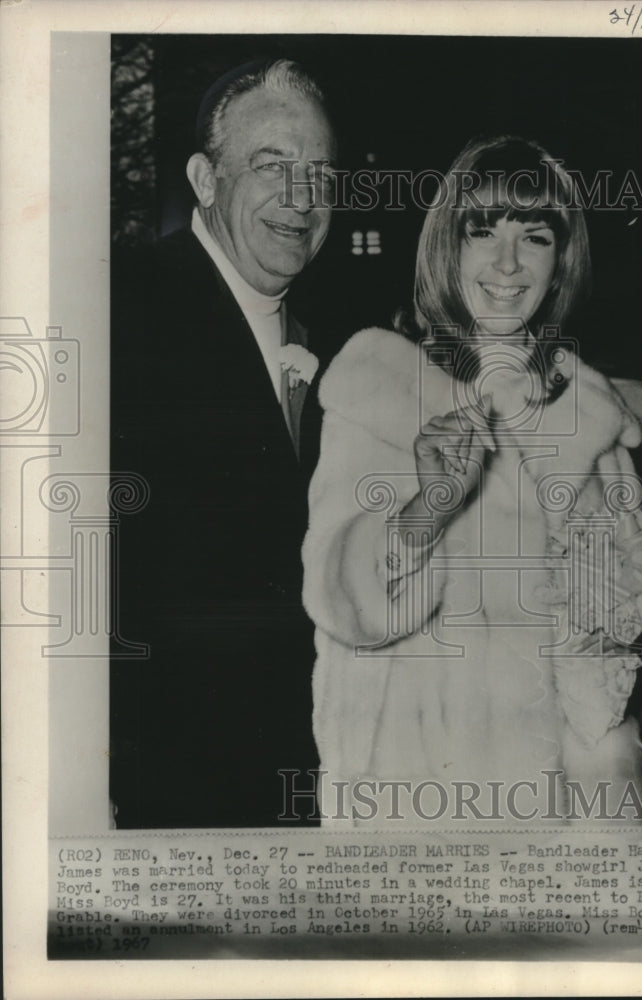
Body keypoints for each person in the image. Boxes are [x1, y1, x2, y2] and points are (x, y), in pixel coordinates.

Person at [302, 135, 642, 825]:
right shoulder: (382, 382)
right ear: (445, 247)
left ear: (561, 259)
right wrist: (429, 506)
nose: (507, 263)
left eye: (535, 236)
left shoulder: (589, 410)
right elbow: (340, 600)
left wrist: (634, 599)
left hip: (575, 807)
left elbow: (608, 636)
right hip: (425, 795)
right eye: (481, 230)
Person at [110, 57, 336, 828]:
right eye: (273, 167)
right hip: (176, 792)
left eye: (319, 173)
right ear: (205, 180)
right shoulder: (125, 308)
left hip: (298, 781)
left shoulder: (339, 345)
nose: (302, 199)